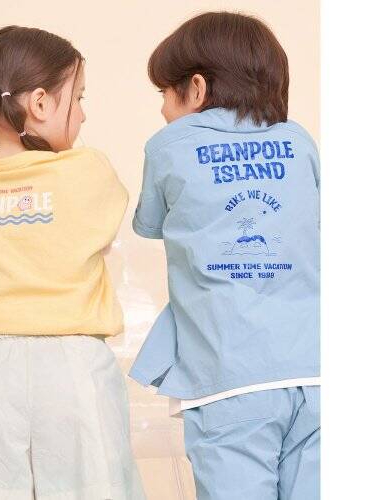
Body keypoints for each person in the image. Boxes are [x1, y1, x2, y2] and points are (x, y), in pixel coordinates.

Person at [0, 25, 145, 500]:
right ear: (39, 103)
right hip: (70, 366)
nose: (83, 113)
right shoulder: (86, 172)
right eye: (77, 98)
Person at [129, 12, 320, 500]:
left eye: (164, 94)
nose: (163, 109)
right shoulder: (300, 142)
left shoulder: (169, 146)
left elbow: (148, 225)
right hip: (317, 370)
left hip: (229, 378)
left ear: (195, 88)